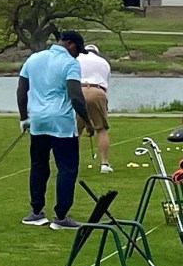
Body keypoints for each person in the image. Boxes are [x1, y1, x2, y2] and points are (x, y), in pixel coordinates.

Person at [17, 30, 90, 230]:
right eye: (78, 51)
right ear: (71, 44)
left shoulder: (34, 58)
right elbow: (75, 96)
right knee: (67, 168)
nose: (77, 56)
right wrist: (88, 121)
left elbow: (22, 89)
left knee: (39, 165)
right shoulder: (70, 63)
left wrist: (24, 117)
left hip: (38, 121)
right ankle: (61, 216)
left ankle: (36, 213)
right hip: (61, 123)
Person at [76, 43, 112, 173]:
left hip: (78, 91)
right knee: (101, 129)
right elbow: (105, 83)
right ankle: (104, 164)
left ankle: (72, 163)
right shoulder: (104, 63)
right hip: (97, 91)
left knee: (75, 131)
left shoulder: (76, 58)